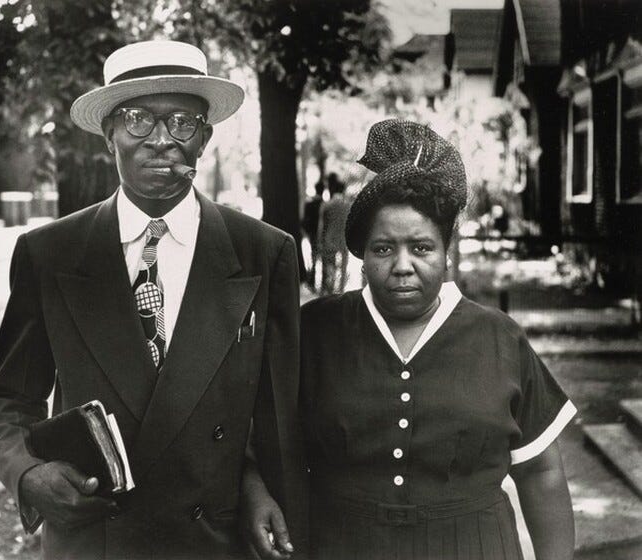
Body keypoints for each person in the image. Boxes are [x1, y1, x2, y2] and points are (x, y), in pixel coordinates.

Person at [0, 40, 307, 560]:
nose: (160, 140)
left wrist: (256, 484)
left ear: (205, 138)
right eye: (136, 119)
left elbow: (276, 419)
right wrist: (28, 475)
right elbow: (10, 399)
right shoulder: (49, 253)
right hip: (95, 537)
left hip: (214, 540)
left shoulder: (264, 253)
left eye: (182, 122)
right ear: (108, 133)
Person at [247, 120, 577, 559]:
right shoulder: (315, 331)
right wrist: (254, 492)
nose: (403, 265)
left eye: (421, 248)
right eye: (384, 249)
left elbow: (543, 474)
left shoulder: (499, 339)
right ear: (362, 256)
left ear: (446, 252)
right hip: (342, 546)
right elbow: (248, 435)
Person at [317, 172, 350, 294]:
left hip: (329, 239)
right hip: (344, 240)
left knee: (329, 267)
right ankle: (341, 291)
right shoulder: (348, 206)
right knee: (343, 269)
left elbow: (321, 226)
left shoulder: (326, 205)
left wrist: (319, 241)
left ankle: (328, 290)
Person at [301, 178, 325, 291]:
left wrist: (306, 233)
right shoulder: (325, 204)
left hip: (312, 234)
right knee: (324, 260)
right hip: (323, 235)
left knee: (313, 258)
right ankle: (324, 284)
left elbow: (304, 220)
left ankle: (312, 283)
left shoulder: (309, 204)